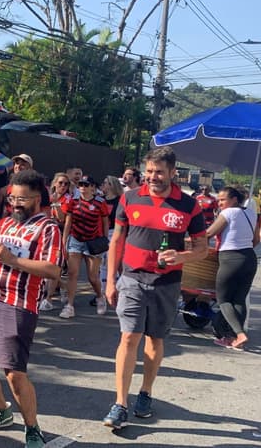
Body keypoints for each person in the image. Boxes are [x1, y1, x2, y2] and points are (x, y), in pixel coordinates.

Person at [103, 147, 207, 430]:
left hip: (167, 283)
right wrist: (111, 280)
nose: (153, 177)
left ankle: (146, 392)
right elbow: (116, 242)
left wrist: (182, 257)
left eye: (159, 172)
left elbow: (202, 247)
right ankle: (120, 403)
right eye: (149, 171)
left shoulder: (188, 205)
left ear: (173, 172)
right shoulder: (130, 197)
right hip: (133, 278)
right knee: (128, 338)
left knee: (154, 339)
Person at [0, 169, 61, 448]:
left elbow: (53, 270)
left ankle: (32, 428)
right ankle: (1, 412)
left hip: (18, 304)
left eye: (22, 199)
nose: (16, 204)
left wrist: (10, 259)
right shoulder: (4, 223)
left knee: (14, 372)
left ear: (37, 198)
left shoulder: (48, 228)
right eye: (12, 198)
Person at [205, 186, 259, 350]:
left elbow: (209, 233)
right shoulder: (251, 213)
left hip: (230, 259)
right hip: (249, 258)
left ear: (234, 199)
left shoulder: (228, 213)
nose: (219, 203)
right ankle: (234, 338)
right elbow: (256, 239)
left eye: (222, 200)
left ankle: (239, 333)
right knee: (239, 299)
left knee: (223, 300)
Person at [59, 176, 109, 319]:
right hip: (76, 240)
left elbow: (105, 222)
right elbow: (68, 222)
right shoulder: (73, 202)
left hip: (93, 241)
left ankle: (100, 297)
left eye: (86, 185)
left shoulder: (100, 203)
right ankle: (69, 305)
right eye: (80, 184)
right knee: (72, 273)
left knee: (92, 277)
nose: (83, 187)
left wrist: (104, 240)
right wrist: (64, 241)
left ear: (92, 187)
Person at [40, 172, 71, 311]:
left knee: (54, 266)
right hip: (47, 234)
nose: (63, 186)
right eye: (60, 183)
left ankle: (48, 299)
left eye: (66, 184)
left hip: (60, 233)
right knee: (45, 265)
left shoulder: (67, 199)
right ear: (54, 184)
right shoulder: (48, 197)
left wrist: (63, 243)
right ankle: (64, 287)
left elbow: (62, 219)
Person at [0, 154, 50, 218]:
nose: (18, 166)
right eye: (17, 163)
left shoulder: (39, 189)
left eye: (23, 164)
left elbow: (46, 211)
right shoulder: (4, 190)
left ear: (30, 168)